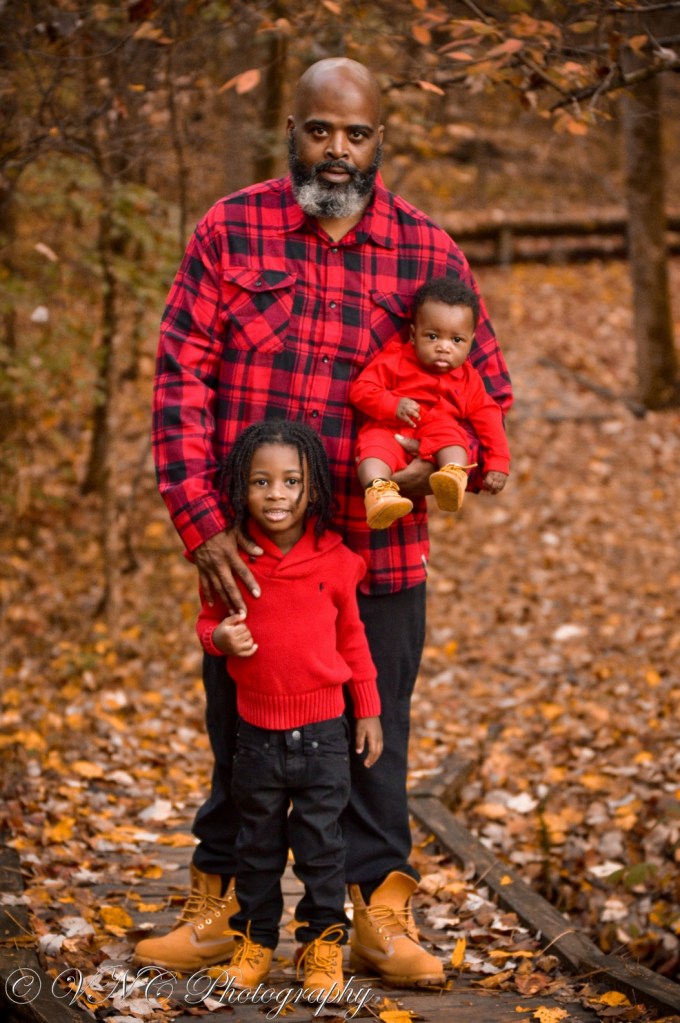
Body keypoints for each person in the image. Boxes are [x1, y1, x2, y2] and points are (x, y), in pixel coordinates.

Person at [137, 56, 512, 987]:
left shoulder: (428, 253)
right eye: (319, 130)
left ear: (380, 139)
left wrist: (441, 466)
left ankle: (378, 914)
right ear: (292, 130)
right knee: (243, 738)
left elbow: (488, 390)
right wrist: (201, 522)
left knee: (377, 741)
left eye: (356, 133)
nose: (336, 149)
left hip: (381, 555)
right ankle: (224, 906)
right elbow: (179, 379)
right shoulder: (231, 229)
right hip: (254, 556)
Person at [194, 419, 382, 995]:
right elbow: (207, 622)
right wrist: (219, 639)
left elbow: (353, 639)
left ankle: (321, 946)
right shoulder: (229, 559)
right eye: (261, 482)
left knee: (323, 846)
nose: (276, 494)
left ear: (313, 488)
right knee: (257, 846)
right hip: (255, 734)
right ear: (241, 486)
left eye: (291, 482)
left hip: (325, 733)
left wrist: (368, 709)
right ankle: (254, 942)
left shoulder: (339, 562)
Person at [350, 276, 510, 529]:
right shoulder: (394, 359)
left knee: (453, 438)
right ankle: (379, 492)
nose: (444, 347)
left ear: (470, 342)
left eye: (456, 340)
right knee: (372, 450)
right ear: (414, 335)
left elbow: (489, 419)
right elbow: (360, 390)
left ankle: (452, 475)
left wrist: (498, 462)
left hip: (436, 428)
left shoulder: (468, 379)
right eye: (433, 337)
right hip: (390, 427)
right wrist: (393, 404)